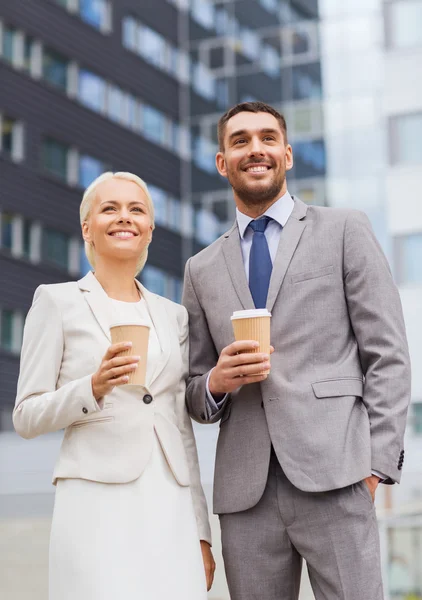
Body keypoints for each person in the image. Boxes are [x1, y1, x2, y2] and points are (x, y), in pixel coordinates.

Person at [182, 102, 411, 600]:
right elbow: (193, 392)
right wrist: (217, 382)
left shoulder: (344, 229)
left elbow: (387, 353)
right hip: (246, 497)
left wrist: (375, 467)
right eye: (240, 140)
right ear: (223, 162)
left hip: (339, 476)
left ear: (286, 153)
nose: (255, 149)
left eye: (267, 138)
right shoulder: (200, 269)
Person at [13, 171, 215, 600]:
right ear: (87, 227)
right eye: (110, 208)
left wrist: (201, 530)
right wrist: (93, 387)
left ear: (149, 231)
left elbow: (182, 428)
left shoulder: (173, 315)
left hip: (170, 500)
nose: (125, 217)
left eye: (136, 209)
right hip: (94, 499)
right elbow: (26, 416)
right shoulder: (56, 302)